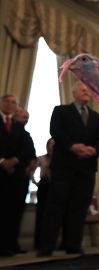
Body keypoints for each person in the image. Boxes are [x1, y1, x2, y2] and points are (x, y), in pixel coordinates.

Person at [37, 82, 99, 256]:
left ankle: (72, 244)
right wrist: (72, 146)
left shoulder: (97, 117)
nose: (86, 92)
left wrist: (93, 150)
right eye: (82, 90)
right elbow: (56, 131)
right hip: (64, 166)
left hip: (86, 167)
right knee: (56, 206)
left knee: (80, 207)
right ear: (73, 93)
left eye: (88, 90)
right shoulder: (60, 111)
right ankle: (47, 246)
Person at [0, 95, 36, 256]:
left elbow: (27, 150)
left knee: (14, 212)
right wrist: (2, 162)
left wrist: (15, 160)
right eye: (7, 101)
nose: (10, 104)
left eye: (14, 102)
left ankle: (11, 244)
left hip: (17, 176)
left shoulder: (20, 126)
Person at [34, 138, 55, 249]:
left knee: (52, 214)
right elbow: (31, 169)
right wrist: (36, 183)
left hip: (55, 186)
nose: (51, 147)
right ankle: (38, 243)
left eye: (53, 145)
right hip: (43, 185)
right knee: (41, 213)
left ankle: (51, 241)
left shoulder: (59, 159)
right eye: (50, 144)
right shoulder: (42, 158)